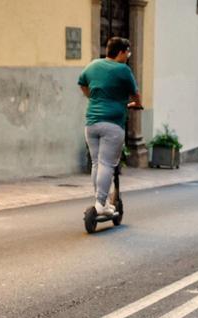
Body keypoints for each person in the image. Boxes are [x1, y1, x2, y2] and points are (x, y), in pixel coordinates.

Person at [78, 37, 142, 217]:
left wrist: (92, 97)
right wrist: (136, 104)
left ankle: (102, 201)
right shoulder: (123, 70)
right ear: (121, 52)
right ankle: (100, 204)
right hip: (112, 123)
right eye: (128, 53)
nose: (128, 56)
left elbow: (82, 83)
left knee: (96, 163)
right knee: (106, 164)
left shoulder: (93, 65)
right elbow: (135, 94)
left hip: (91, 123)